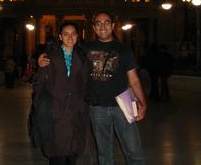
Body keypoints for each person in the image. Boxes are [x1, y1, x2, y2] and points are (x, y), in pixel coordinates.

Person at [39, 12, 147, 165]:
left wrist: (142, 103)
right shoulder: (85, 48)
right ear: (94, 27)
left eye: (106, 22)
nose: (102, 26)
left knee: (134, 151)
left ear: (113, 25)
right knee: (103, 153)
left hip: (123, 106)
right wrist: (42, 57)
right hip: (97, 108)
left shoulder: (124, 50)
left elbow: (134, 80)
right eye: (98, 23)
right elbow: (63, 49)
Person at [31, 22, 89, 165]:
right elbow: (38, 82)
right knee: (57, 153)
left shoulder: (82, 57)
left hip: (76, 110)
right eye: (66, 34)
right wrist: (44, 103)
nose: (70, 37)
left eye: (73, 34)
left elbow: (86, 82)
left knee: (72, 151)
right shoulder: (49, 57)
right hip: (55, 110)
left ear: (78, 36)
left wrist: (83, 103)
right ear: (60, 37)